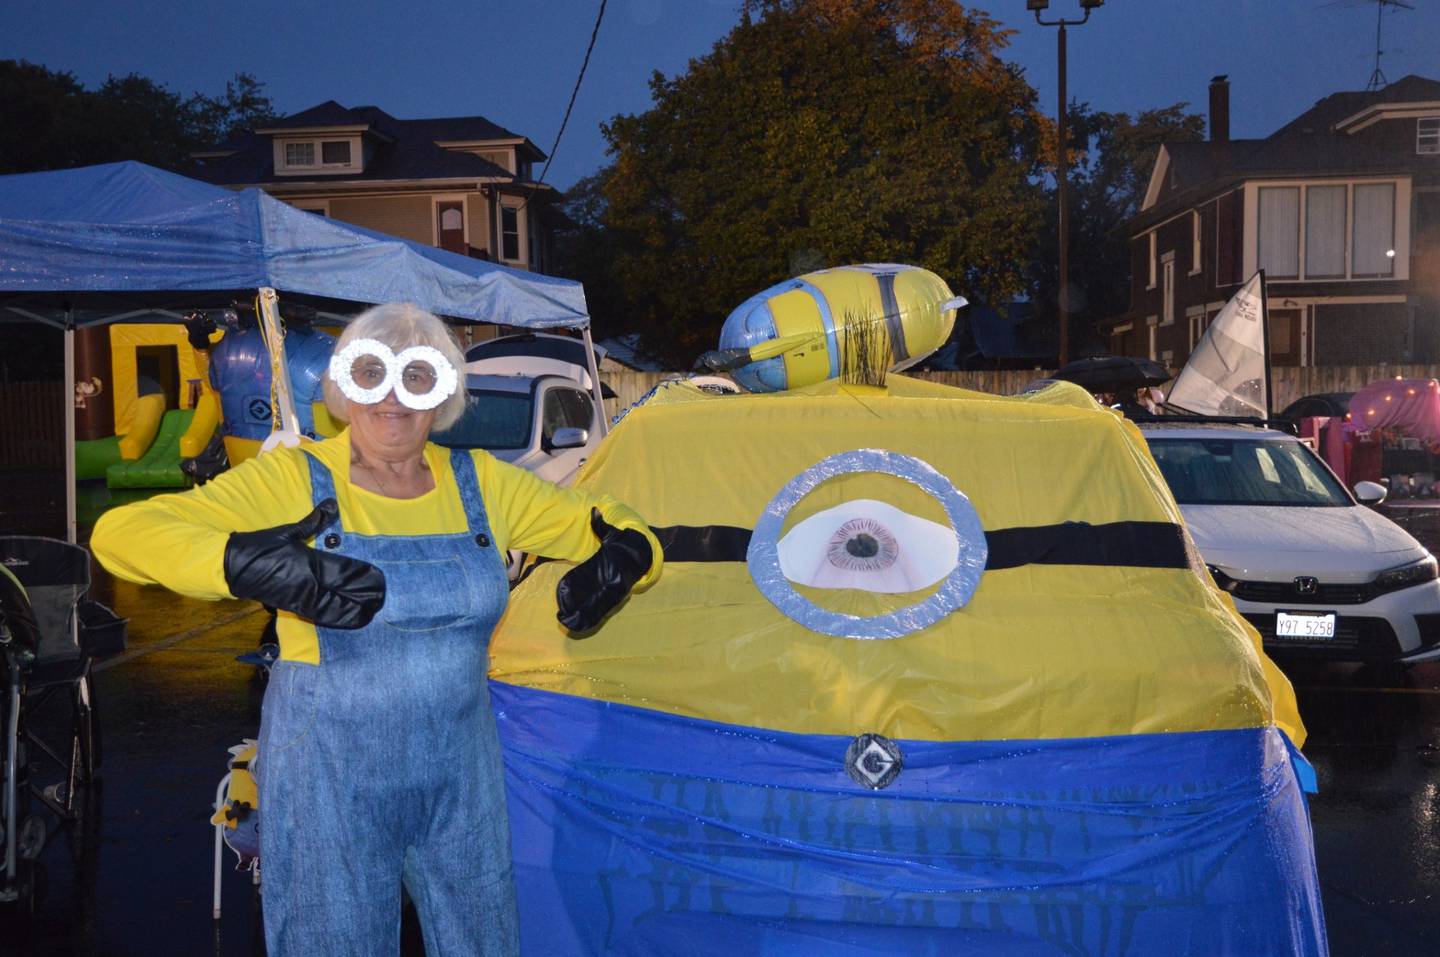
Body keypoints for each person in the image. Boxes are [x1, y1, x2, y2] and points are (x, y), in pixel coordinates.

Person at [91, 303, 662, 956]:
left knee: (484, 942)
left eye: (416, 377)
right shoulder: (294, 478)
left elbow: (608, 516)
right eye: (372, 374)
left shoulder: (486, 485)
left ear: (443, 390)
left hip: (461, 780)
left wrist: (632, 554)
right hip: (327, 783)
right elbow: (121, 534)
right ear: (341, 386)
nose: (393, 397)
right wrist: (239, 562)